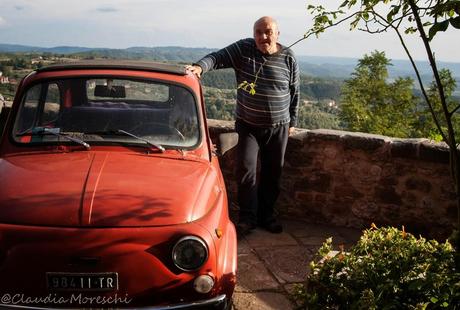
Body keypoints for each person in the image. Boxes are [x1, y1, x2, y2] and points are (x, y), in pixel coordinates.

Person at [187, 16, 300, 238]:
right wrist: (200, 67)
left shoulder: (288, 56)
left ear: (278, 34)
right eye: (258, 32)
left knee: (272, 174)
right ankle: (247, 218)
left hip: (279, 127)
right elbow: (217, 58)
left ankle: (267, 216)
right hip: (248, 126)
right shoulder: (244, 48)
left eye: (267, 32)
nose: (262, 37)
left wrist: (292, 122)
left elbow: (295, 91)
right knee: (246, 170)